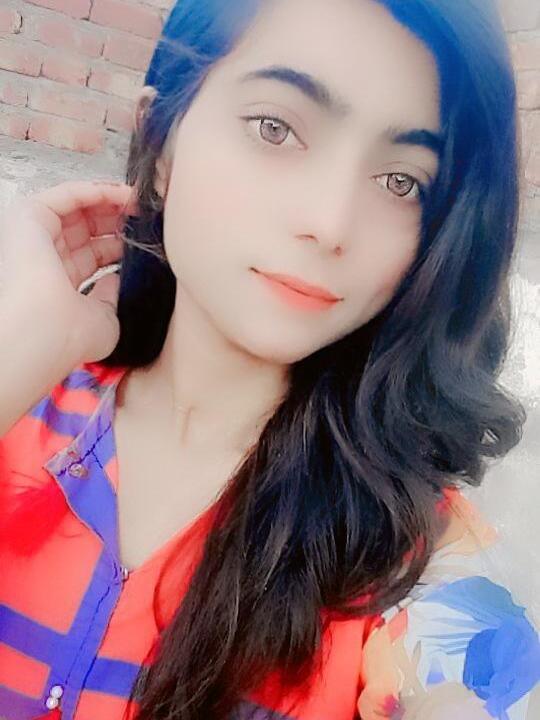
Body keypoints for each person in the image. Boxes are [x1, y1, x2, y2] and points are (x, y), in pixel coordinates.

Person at [0, 0, 538, 718]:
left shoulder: (423, 560)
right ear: (160, 147)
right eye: (275, 128)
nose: (329, 222)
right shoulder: (20, 401)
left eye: (401, 181)